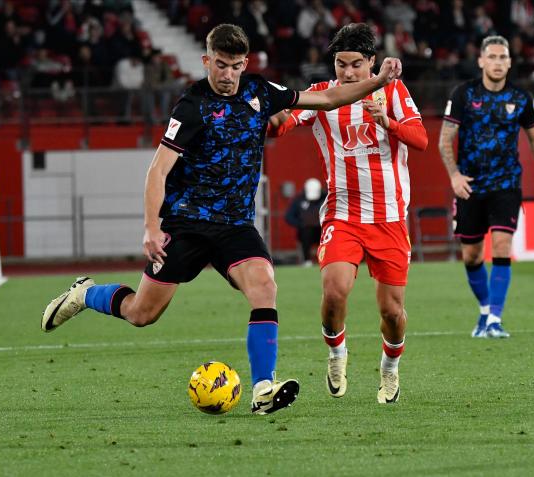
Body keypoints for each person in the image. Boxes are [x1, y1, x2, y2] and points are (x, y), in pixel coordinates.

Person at [41, 24, 402, 415]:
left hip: (235, 226)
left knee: (264, 287)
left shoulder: (261, 92)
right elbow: (158, 171)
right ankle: (85, 293)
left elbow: (330, 97)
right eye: (220, 65)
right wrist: (151, 226)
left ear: (245, 64)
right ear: (206, 61)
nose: (227, 75)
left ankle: (263, 388)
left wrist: (379, 80)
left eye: (234, 66)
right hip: (186, 224)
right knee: (141, 314)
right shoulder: (191, 107)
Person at [268, 23, 427, 404]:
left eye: (356, 64)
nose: (348, 73)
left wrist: (386, 122)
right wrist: (269, 112)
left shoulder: (392, 90)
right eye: (341, 64)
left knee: (392, 311)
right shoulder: (323, 96)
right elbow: (282, 127)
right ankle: (337, 355)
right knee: (335, 291)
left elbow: (420, 140)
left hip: (389, 217)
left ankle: (389, 370)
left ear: (371, 62)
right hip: (343, 214)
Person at [438, 35, 534, 339]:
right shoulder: (464, 94)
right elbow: (444, 139)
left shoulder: (521, 98)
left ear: (509, 61)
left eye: (502, 57)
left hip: (506, 184)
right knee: (472, 255)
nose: (497, 62)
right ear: (481, 60)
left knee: (503, 246)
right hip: (470, 186)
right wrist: (454, 175)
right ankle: (484, 312)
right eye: (491, 57)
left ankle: (494, 319)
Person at [285, 178, 325, 266]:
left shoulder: (326, 198)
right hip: (305, 232)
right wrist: (300, 224)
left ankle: (327, 259)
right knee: (306, 232)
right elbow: (289, 217)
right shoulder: (299, 200)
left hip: (322, 230)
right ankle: (307, 260)